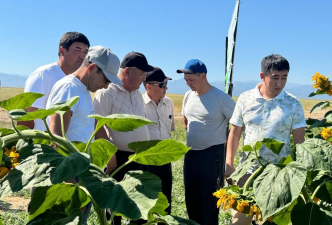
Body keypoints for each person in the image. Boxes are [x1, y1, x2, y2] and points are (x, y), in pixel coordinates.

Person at [225, 54, 306, 225]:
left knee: (271, 220)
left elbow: (300, 143)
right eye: (275, 77)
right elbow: (235, 132)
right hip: (248, 171)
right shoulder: (246, 98)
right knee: (240, 220)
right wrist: (229, 163)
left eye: (284, 78)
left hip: (278, 174)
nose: (279, 83)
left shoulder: (293, 104)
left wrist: (299, 172)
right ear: (263, 76)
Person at [46, 46, 121, 225]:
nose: (106, 85)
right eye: (106, 79)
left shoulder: (83, 90)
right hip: (67, 174)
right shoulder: (69, 89)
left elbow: (92, 122)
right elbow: (56, 140)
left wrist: (109, 152)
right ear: (92, 68)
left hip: (79, 170)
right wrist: (72, 188)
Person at [93, 51, 153, 225]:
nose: (144, 78)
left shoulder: (136, 93)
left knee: (141, 204)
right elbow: (97, 125)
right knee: (115, 206)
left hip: (138, 156)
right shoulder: (107, 91)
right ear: (127, 72)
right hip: (117, 159)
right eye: (141, 74)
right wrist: (109, 155)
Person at [177, 59, 236, 225]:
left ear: (203, 76)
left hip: (212, 155)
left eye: (191, 80)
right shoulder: (188, 95)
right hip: (191, 154)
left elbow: (238, 123)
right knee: (191, 198)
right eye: (186, 81)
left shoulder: (220, 98)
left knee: (209, 202)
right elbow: (185, 118)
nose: (188, 84)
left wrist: (225, 140)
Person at [20, 32, 90, 130]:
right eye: (77, 50)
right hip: (44, 142)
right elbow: (26, 117)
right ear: (62, 51)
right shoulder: (44, 75)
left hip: (67, 143)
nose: (82, 56)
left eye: (85, 52)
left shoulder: (78, 81)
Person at [143, 67, 175, 215]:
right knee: (144, 203)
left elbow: (170, 130)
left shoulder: (169, 103)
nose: (165, 88)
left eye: (166, 84)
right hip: (146, 162)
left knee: (165, 201)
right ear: (148, 86)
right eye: (162, 85)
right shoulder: (138, 105)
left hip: (165, 160)